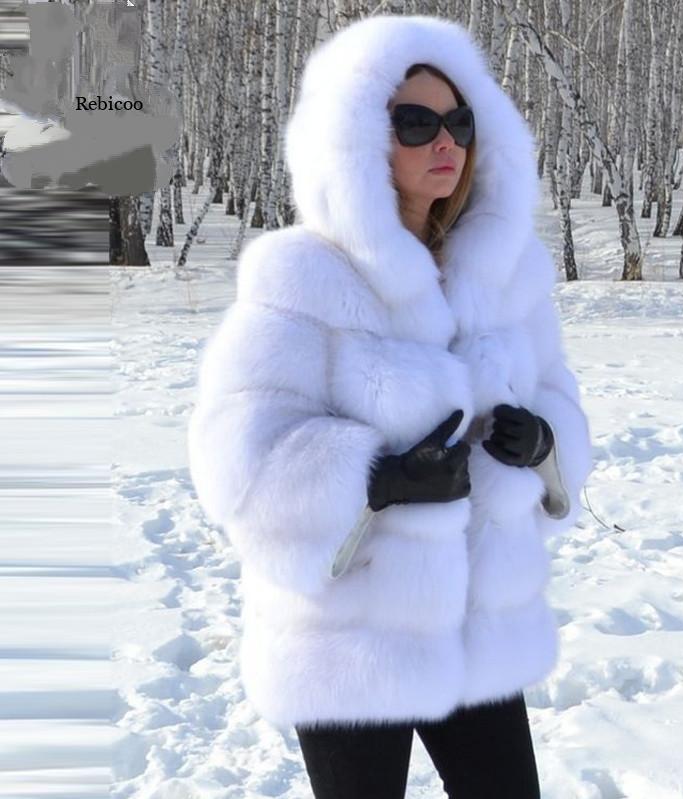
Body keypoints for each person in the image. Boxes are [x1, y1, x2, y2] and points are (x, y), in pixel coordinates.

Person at [187, 14, 593, 799]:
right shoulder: (302, 275)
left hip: (478, 629)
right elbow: (235, 451)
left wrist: (541, 443)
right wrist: (376, 479)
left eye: (459, 122)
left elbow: (557, 398)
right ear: (354, 139)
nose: (445, 142)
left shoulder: (506, 275)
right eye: (414, 123)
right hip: (348, 638)